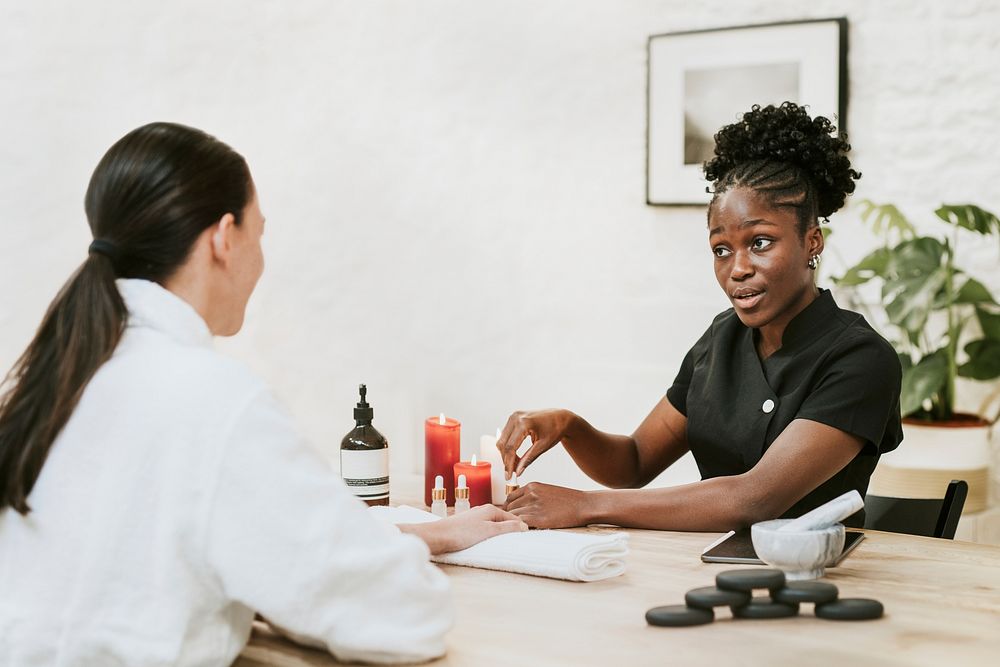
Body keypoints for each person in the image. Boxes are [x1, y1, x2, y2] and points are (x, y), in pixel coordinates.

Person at [0, 122, 525, 666]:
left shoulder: (48, 382)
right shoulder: (213, 402)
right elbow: (405, 618)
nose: (261, 261)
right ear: (225, 237)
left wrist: (427, 535)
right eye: (260, 233)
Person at [498, 102, 902, 532]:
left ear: (812, 242)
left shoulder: (860, 360)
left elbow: (755, 498)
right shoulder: (722, 338)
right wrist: (568, 426)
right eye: (721, 249)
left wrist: (585, 505)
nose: (738, 267)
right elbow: (633, 462)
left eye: (760, 242)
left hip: (819, 580)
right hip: (704, 567)